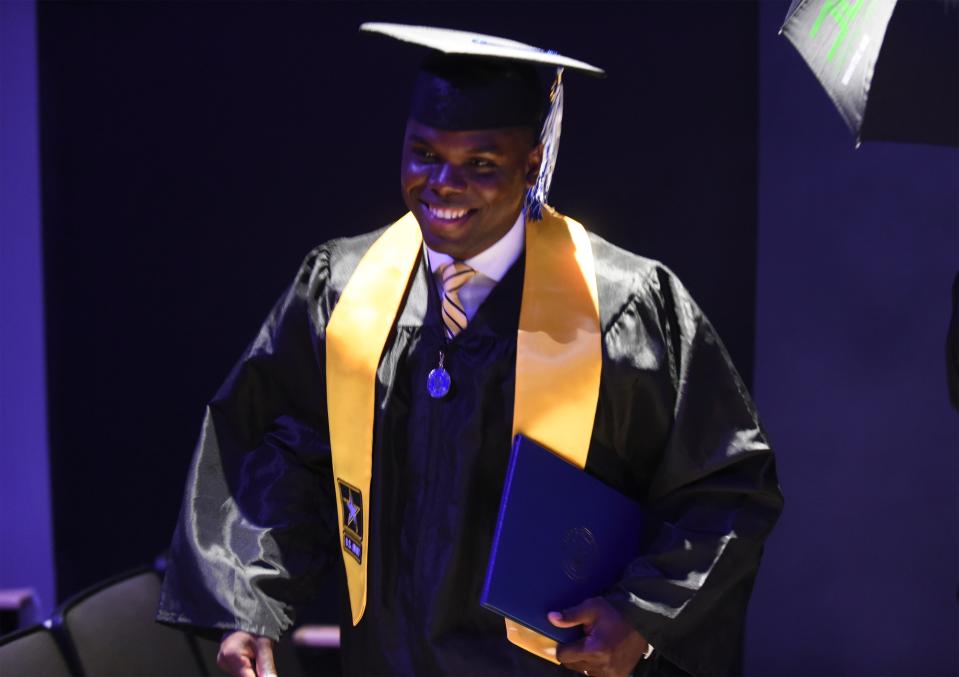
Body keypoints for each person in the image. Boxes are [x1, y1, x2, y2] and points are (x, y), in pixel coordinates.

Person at [157, 24, 783, 677]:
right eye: (423, 153)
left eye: (480, 164)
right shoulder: (341, 290)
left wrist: (641, 615)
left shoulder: (623, 307)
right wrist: (251, 605)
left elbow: (725, 484)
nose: (443, 184)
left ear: (532, 161)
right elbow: (277, 451)